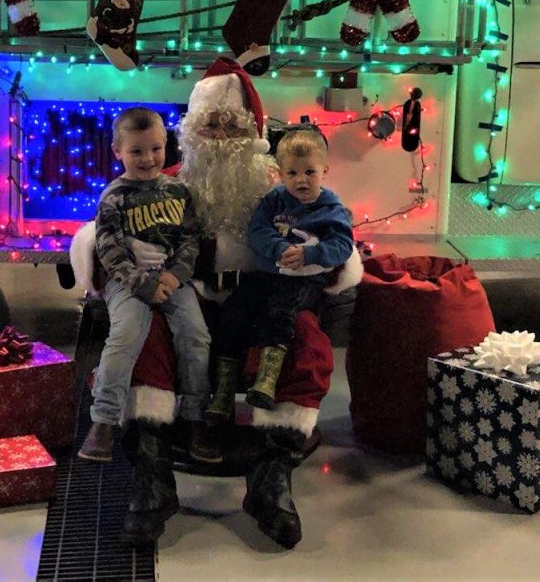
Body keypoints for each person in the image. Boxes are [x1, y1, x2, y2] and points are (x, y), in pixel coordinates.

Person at [70, 58, 362, 548]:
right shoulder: (169, 179)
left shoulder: (278, 181)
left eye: (233, 124)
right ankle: (153, 480)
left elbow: (331, 228)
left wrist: (323, 257)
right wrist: (109, 264)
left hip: (267, 294)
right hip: (187, 291)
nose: (222, 134)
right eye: (211, 123)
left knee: (307, 344)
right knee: (146, 344)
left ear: (253, 131)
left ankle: (270, 482)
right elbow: (109, 226)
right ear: (193, 130)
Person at [78, 107, 220, 465]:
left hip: (173, 280)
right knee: (125, 336)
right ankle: (104, 421)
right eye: (137, 151)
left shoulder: (178, 192)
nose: (148, 158)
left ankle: (194, 418)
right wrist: (143, 285)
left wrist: (175, 276)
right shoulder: (114, 197)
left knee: (196, 336)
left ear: (165, 146)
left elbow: (190, 240)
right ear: (118, 152)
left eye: (155, 149)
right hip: (128, 283)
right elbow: (108, 249)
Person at [206, 126, 354, 419]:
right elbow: (257, 229)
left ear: (324, 170)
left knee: (279, 312)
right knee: (235, 311)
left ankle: (266, 381)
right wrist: (277, 247)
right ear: (280, 173)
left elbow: (342, 245)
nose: (301, 180)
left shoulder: (331, 208)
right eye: (293, 173)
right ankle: (223, 391)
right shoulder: (274, 200)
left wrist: (310, 253)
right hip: (268, 274)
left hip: (304, 280)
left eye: (309, 172)